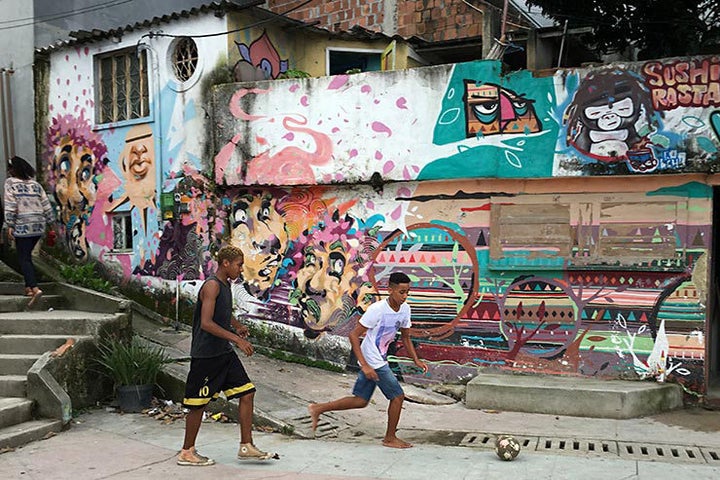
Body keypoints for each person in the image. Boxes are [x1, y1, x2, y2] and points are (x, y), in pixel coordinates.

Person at [178, 245, 277, 466]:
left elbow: (221, 313)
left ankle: (246, 445)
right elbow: (206, 322)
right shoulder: (212, 286)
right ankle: (187, 451)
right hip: (206, 356)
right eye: (238, 265)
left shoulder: (225, 286)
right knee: (198, 404)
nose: (240, 270)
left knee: (247, 393)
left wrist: (236, 325)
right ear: (226, 263)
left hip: (223, 353)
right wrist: (237, 339)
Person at [308, 271, 428, 449]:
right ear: (390, 290)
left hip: (379, 358)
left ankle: (318, 408)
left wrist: (416, 360)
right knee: (397, 397)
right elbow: (354, 335)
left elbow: (406, 338)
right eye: (401, 292)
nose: (405, 296)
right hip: (372, 359)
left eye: (407, 292)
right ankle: (389, 438)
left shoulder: (405, 309)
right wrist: (365, 365)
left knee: (361, 400)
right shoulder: (377, 310)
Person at [3, 156, 55, 306]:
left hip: (23, 224)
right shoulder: (36, 185)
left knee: (24, 258)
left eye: (10, 169)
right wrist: (51, 224)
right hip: (38, 226)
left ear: (13, 170)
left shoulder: (10, 183)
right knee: (26, 255)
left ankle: (35, 287)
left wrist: (10, 224)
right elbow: (46, 205)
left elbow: (11, 204)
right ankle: (28, 288)